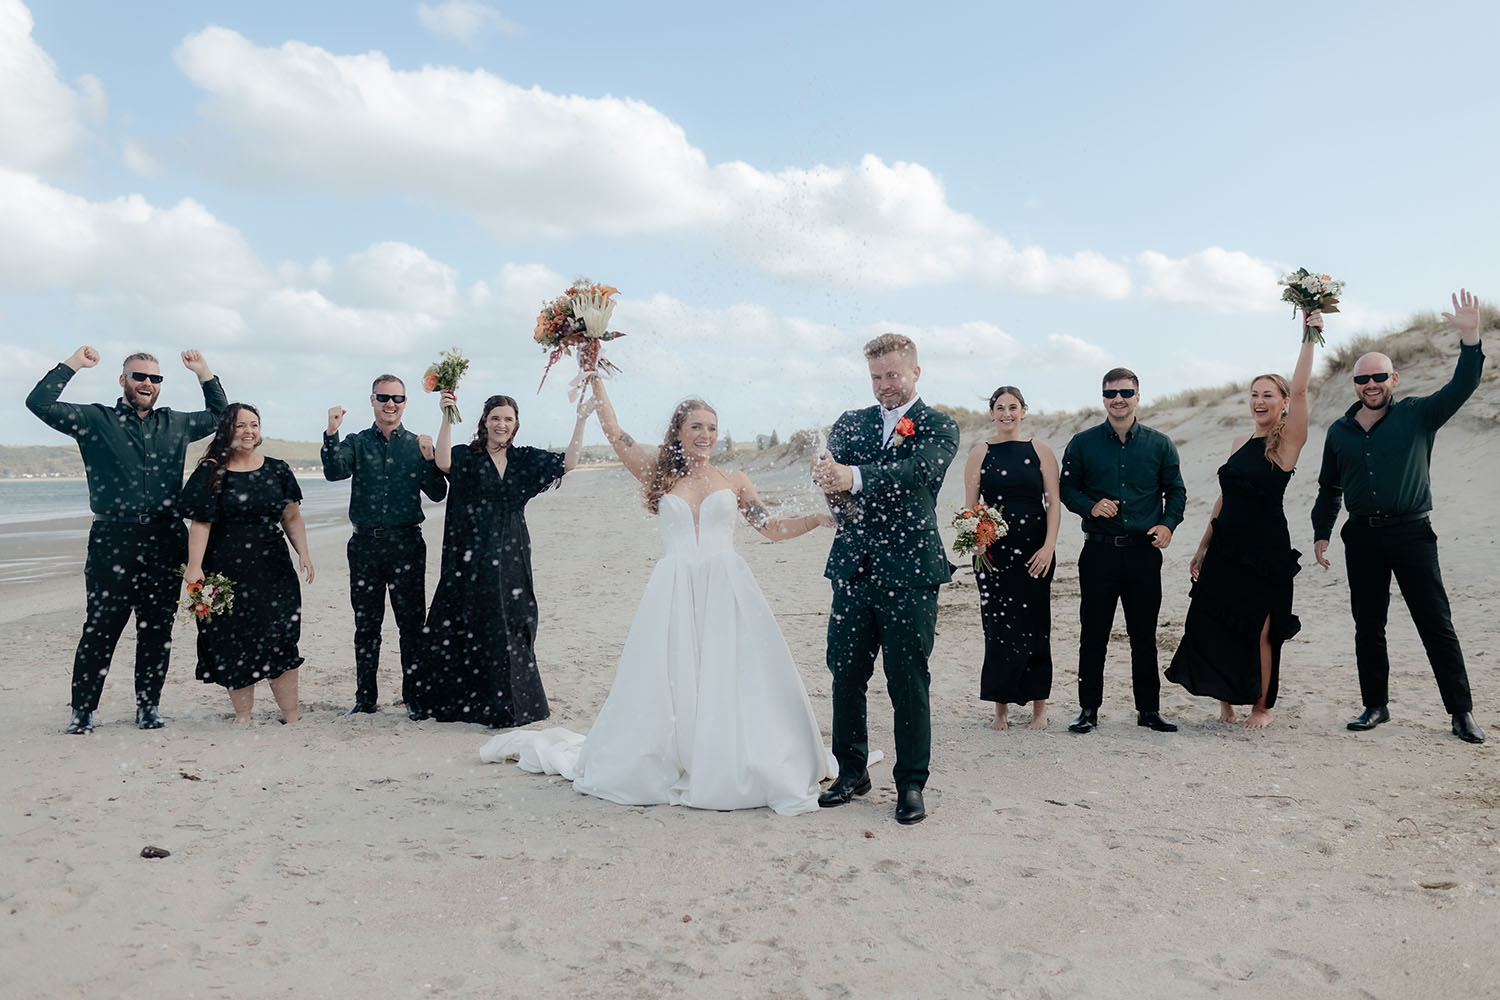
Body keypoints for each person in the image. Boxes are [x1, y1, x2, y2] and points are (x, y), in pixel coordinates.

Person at [482, 383, 834, 815]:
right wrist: (596, 375)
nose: (705, 435)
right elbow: (615, 434)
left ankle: (726, 755)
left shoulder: (735, 480)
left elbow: (772, 529)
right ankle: (675, 754)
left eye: (712, 428)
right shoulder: (659, 476)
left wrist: (815, 519)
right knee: (671, 675)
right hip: (674, 590)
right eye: (696, 427)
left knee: (731, 671)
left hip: (727, 588)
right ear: (679, 432)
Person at [1311, 289, 1487, 744]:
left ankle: (1461, 713)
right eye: (1362, 378)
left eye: (1379, 377)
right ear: (1355, 384)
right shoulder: (1340, 431)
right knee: (1368, 626)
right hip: (1362, 537)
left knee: (1436, 624)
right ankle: (1375, 706)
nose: (1371, 384)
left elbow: (1463, 385)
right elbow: (1329, 486)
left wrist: (1470, 339)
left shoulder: (1418, 415)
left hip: (1412, 533)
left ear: (1394, 378)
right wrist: (1321, 532)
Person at [26, 346, 227, 734]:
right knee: (101, 626)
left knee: (157, 629)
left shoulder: (176, 423)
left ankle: (148, 706)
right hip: (113, 536)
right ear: (123, 380)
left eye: (155, 378)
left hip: (166, 537)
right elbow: (40, 403)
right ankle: (82, 711)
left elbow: (222, 417)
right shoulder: (95, 420)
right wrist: (73, 364)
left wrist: (204, 372)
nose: (147, 383)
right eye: (139, 376)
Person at [812, 333, 960, 825]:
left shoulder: (939, 426)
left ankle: (911, 783)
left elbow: (917, 473)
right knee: (845, 674)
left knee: (907, 680)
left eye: (893, 374)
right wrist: (829, 480)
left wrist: (852, 476)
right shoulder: (850, 422)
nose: (884, 385)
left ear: (915, 372)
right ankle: (851, 772)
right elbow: (835, 487)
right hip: (853, 569)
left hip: (910, 572)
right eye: (876, 377)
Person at [1165, 317, 1319, 728]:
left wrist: (1309, 335)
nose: (1259, 401)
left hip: (1265, 550)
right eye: (1254, 395)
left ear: (1283, 402)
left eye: (1268, 395)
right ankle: (1226, 700)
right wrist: (1202, 546)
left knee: (1263, 628)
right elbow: (1224, 498)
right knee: (1215, 620)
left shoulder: (1288, 441)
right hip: (1226, 545)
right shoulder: (1239, 443)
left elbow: (1302, 389)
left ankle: (1262, 707)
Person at [407, 389, 589, 726]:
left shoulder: (523, 459)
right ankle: (463, 701)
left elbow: (569, 462)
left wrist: (581, 419)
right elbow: (443, 462)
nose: (501, 424)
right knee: (467, 619)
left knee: (513, 620)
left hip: (512, 551)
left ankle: (511, 701)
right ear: (485, 422)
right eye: (495, 418)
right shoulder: (467, 455)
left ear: (516, 424)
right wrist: (446, 415)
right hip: (470, 553)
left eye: (507, 419)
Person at [1059, 367, 1186, 735]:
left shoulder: (1160, 444)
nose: (1119, 399)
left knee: (1144, 635)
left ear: (1137, 397)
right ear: (1103, 398)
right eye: (1111, 393)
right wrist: (1091, 506)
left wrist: (1168, 524)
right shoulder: (1082, 443)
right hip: (1098, 554)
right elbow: (1067, 489)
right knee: (1093, 634)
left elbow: (1176, 490)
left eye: (1126, 393)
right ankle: (1088, 710)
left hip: (1143, 554)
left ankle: (1149, 710)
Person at [181, 404, 315, 724]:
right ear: (227, 430)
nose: (248, 431)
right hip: (224, 570)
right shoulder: (211, 471)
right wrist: (194, 567)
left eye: (254, 425)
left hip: (273, 570)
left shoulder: (278, 469)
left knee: (280, 637)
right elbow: (200, 523)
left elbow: (292, 517)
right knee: (232, 640)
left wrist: (304, 554)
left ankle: (291, 714)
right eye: (240, 425)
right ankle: (243, 715)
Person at [321, 375, 445, 715]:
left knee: (412, 626)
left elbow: (438, 493)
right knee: (366, 626)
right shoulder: (356, 442)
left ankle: (414, 699)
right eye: (384, 397)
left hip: (407, 544)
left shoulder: (416, 444)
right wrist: (331, 432)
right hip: (365, 546)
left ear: (405, 403)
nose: (390, 404)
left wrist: (430, 459)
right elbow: (334, 472)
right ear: (372, 400)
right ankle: (365, 699)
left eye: (397, 398)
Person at [961, 385, 1060, 731]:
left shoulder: (1040, 449)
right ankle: (1000, 709)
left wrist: (1048, 547)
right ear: (992, 413)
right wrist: (976, 543)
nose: (1007, 413)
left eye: (1013, 407)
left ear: (1023, 410)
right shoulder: (980, 453)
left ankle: (1039, 709)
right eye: (1000, 408)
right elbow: (971, 508)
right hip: (994, 554)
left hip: (1035, 552)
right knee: (998, 628)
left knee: (1036, 626)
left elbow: (1053, 503)